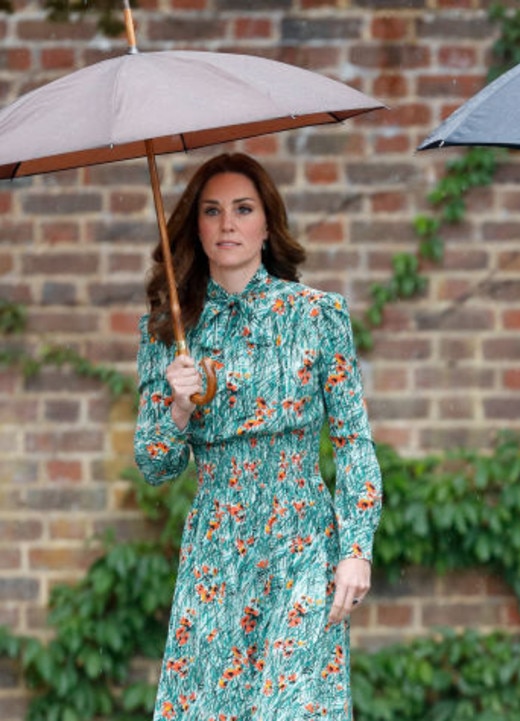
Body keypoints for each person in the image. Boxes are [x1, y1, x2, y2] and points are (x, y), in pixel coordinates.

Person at [133, 153, 382, 720]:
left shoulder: (318, 315)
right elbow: (154, 465)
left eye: (243, 210)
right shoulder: (172, 330)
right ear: (195, 225)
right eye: (212, 211)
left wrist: (356, 549)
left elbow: (353, 442)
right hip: (216, 548)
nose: (227, 225)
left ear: (267, 224)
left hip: (301, 540)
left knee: (295, 707)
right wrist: (175, 406)